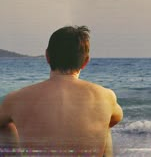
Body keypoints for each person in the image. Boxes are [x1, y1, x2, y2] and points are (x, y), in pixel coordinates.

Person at [0, 26, 123, 156]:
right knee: (106, 127)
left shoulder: (16, 98)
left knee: (5, 126)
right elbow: (116, 118)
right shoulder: (106, 96)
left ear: (47, 57)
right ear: (85, 61)